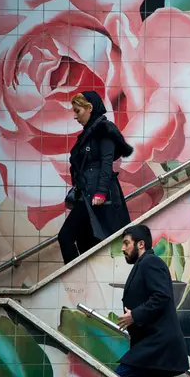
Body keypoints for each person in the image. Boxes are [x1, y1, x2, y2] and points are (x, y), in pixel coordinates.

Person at [115, 224, 189, 377]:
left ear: (140, 244)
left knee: (122, 375)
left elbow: (162, 295)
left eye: (126, 243)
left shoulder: (150, 263)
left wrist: (135, 315)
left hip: (158, 343)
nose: (123, 248)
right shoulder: (144, 264)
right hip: (151, 343)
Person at [58, 91, 133, 264]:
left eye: (78, 111)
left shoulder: (103, 129)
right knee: (86, 244)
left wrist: (100, 193)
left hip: (95, 196)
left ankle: (74, 280)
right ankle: (83, 286)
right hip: (86, 194)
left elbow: (107, 162)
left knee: (66, 236)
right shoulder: (88, 133)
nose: (75, 116)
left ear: (89, 108)